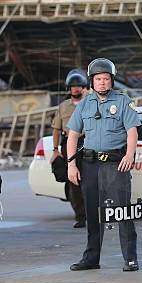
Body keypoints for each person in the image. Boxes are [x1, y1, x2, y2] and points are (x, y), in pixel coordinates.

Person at [66, 58, 141, 272]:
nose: (102, 83)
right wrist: (72, 164)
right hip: (90, 165)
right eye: (98, 79)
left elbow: (132, 130)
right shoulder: (84, 104)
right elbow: (72, 136)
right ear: (92, 81)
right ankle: (91, 258)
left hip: (116, 164)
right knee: (92, 212)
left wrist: (129, 154)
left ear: (112, 80)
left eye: (106, 79)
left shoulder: (124, 101)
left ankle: (130, 258)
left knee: (122, 211)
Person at [51, 69, 87, 228]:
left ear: (84, 86)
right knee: (74, 182)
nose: (76, 89)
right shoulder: (63, 107)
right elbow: (56, 129)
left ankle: (95, 214)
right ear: (69, 88)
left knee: (92, 180)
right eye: (73, 86)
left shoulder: (91, 102)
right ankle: (80, 216)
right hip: (69, 145)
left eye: (79, 85)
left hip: (88, 143)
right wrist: (55, 150)